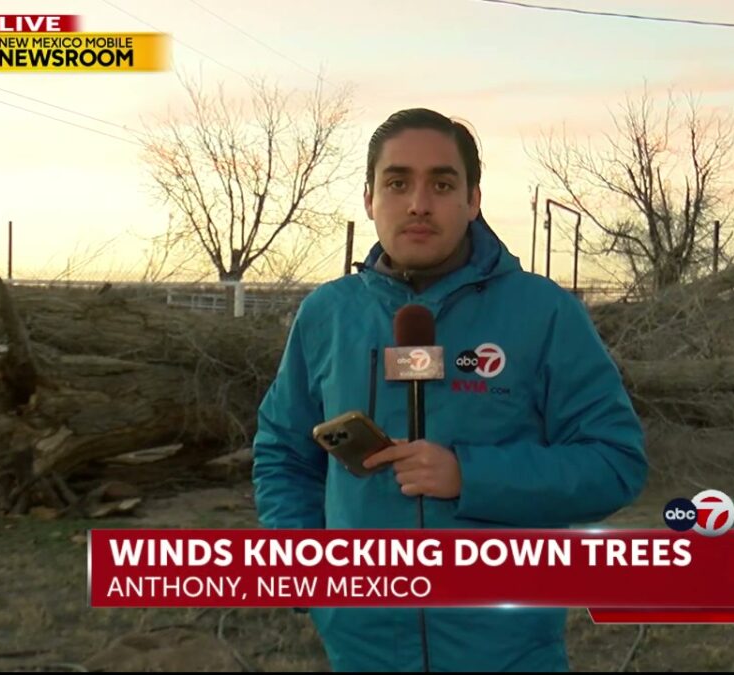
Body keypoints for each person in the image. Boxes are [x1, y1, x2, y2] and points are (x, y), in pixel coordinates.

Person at [253, 108, 647, 672]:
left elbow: (615, 462)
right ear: (369, 199)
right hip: (363, 648)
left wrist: (470, 475)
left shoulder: (544, 313)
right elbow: (283, 452)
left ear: (473, 200)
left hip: (509, 650)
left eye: (441, 183)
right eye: (397, 183)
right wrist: (309, 574)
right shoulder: (327, 315)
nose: (418, 203)